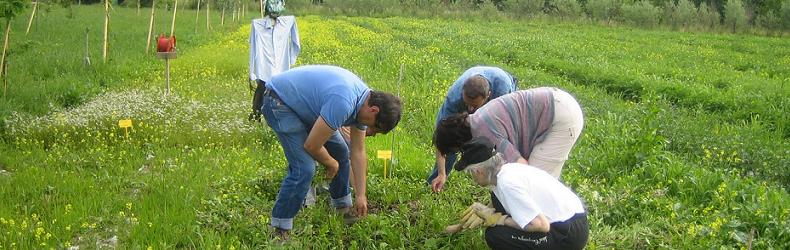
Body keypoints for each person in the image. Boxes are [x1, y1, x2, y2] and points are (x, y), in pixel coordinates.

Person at [260, 65, 402, 239]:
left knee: (341, 152)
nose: (371, 133)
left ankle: (342, 209)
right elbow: (312, 146)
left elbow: (357, 151)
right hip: (279, 102)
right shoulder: (344, 102)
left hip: (305, 107)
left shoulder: (364, 102)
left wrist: (361, 195)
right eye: (374, 128)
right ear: (374, 111)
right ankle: (279, 229)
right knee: (304, 168)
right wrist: (330, 163)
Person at [449, 137, 589, 249]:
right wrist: (480, 214)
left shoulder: (507, 184)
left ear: (478, 171)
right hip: (572, 221)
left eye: (470, 173)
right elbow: (501, 203)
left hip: (567, 234)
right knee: (496, 204)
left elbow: (541, 225)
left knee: (496, 235)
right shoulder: (506, 172)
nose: (472, 178)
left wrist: (499, 219)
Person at [434, 87, 583, 179]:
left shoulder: (484, 132)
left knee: (535, 180)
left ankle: (546, 228)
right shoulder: (475, 120)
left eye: (457, 151)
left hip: (560, 117)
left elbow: (521, 165)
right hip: (556, 101)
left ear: (459, 142)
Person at [428, 66, 518, 193]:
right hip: (471, 95)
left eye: (474, 105)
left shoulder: (501, 90)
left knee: (498, 145)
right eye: (467, 103)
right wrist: (441, 173)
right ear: (462, 94)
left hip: (504, 85)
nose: (470, 109)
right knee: (453, 137)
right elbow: (442, 138)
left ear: (488, 96)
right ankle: (437, 181)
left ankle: (500, 186)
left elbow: (504, 131)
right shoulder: (454, 99)